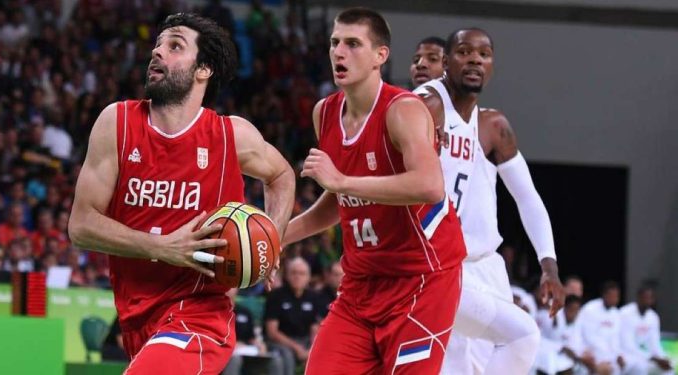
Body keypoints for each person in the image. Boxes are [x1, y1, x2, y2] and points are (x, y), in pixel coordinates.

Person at [68, 13, 295, 374]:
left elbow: (282, 175)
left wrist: (273, 240)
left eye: (174, 46)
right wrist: (161, 247)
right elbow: (81, 225)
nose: (157, 52)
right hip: (137, 316)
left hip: (201, 315)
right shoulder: (117, 123)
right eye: (158, 45)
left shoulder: (230, 135)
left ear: (203, 69)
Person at [282, 8, 466, 374]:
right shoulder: (325, 113)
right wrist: (275, 238)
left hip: (422, 278)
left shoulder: (404, 110)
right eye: (335, 43)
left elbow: (429, 186)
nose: (339, 52)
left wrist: (342, 180)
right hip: (361, 282)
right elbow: (340, 201)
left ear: (380, 56)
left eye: (352, 44)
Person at [414, 28, 565, 374]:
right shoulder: (427, 106)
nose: (475, 60)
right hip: (440, 265)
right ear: (449, 64)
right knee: (513, 340)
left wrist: (549, 264)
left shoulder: (492, 125)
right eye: (465, 52)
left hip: (486, 266)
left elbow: (527, 197)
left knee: (501, 358)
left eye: (483, 54)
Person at [264, 257, 321, 375]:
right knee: (287, 356)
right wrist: (296, 348)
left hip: (305, 340)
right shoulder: (276, 296)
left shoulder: (314, 296)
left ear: (308, 277)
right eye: (294, 272)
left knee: (324, 354)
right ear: (287, 275)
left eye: (302, 273)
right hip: (280, 342)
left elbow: (315, 327)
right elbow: (272, 332)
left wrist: (312, 349)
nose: (297, 276)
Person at [619, 285, 674, 375]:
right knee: (640, 367)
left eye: (650, 298)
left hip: (643, 356)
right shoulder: (625, 313)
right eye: (645, 298)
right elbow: (628, 346)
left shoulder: (653, 317)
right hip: (624, 355)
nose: (647, 301)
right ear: (638, 297)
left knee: (668, 368)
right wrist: (654, 359)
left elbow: (654, 344)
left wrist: (662, 358)